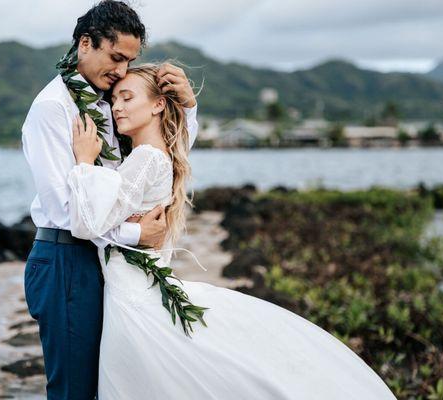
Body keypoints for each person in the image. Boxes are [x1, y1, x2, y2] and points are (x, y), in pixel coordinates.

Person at [68, 64, 397, 399]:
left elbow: (87, 224)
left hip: (132, 294)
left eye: (127, 97)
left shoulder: (146, 159)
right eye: (113, 99)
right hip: (136, 287)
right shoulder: (153, 155)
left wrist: (83, 161)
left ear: (158, 105)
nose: (116, 106)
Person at [21, 1, 199, 398]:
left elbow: (159, 152)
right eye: (116, 57)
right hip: (67, 259)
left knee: (110, 384)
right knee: (74, 389)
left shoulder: (110, 102)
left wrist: (187, 106)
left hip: (107, 261)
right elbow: (65, 211)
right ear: (85, 44)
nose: (121, 71)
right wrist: (136, 233)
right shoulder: (53, 109)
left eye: (129, 61)